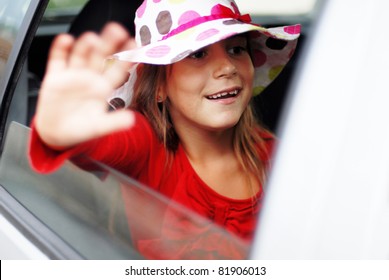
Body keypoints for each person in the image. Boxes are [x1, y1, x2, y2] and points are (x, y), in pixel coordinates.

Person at [29, 0, 300, 259]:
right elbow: (100, 144)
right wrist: (58, 131)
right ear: (159, 88)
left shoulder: (277, 155)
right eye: (198, 54)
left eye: (236, 49)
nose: (227, 67)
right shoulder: (146, 145)